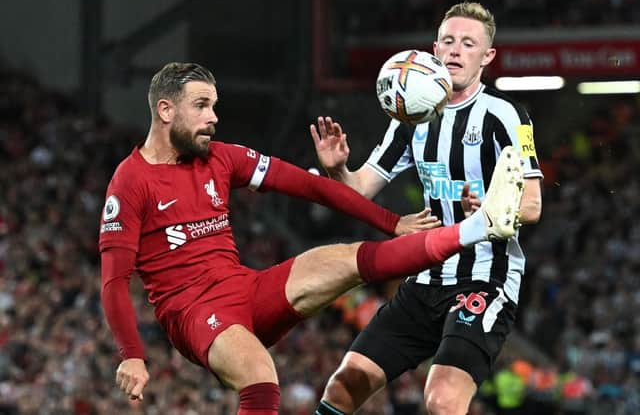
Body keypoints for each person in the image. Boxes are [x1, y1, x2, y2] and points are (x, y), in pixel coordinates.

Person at [99, 61, 524, 415]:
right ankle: (476, 226)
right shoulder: (130, 182)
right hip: (193, 313)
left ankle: (477, 226)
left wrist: (391, 223)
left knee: (342, 258)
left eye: (214, 105)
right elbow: (114, 281)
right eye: (202, 106)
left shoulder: (222, 157)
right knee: (260, 373)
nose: (213, 117)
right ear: (166, 110)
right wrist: (132, 353)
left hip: (244, 289)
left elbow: (311, 186)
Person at [311, 2, 543, 415]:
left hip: (485, 281)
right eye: (449, 41)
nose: (455, 51)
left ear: (486, 56)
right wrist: (338, 169)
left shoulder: (505, 115)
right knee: (344, 386)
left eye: (468, 43)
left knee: (441, 399)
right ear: (434, 48)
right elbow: (360, 188)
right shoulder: (411, 115)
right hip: (426, 277)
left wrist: (494, 206)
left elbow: (532, 204)